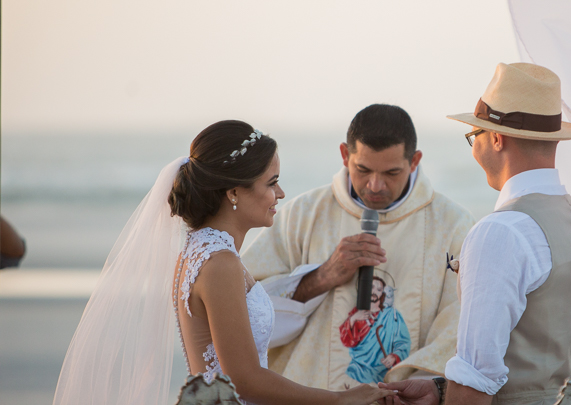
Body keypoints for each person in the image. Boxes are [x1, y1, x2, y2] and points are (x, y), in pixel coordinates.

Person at [54, 120, 394, 405]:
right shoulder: (219, 263)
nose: (281, 194)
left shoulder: (201, 251)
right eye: (271, 182)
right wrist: (338, 400)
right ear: (233, 192)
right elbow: (244, 380)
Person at [381, 63, 571, 405]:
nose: (474, 146)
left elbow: (476, 379)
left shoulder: (500, 232)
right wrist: (440, 390)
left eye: (474, 135)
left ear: (495, 138)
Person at [241, 104, 474, 389]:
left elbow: (459, 327)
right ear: (344, 155)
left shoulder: (453, 226)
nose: (375, 186)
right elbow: (245, 317)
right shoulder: (302, 214)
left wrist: (420, 383)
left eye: (391, 173)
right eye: (362, 170)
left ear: (414, 161)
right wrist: (322, 276)